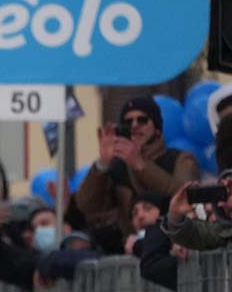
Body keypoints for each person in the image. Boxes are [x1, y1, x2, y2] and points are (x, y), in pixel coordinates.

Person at [74, 97, 199, 247]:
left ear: (157, 127)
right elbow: (88, 206)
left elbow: (188, 197)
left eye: (142, 120)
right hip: (133, 250)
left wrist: (141, 165)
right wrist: (102, 164)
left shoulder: (181, 159)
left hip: (173, 246)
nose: (134, 125)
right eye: (128, 122)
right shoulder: (118, 167)